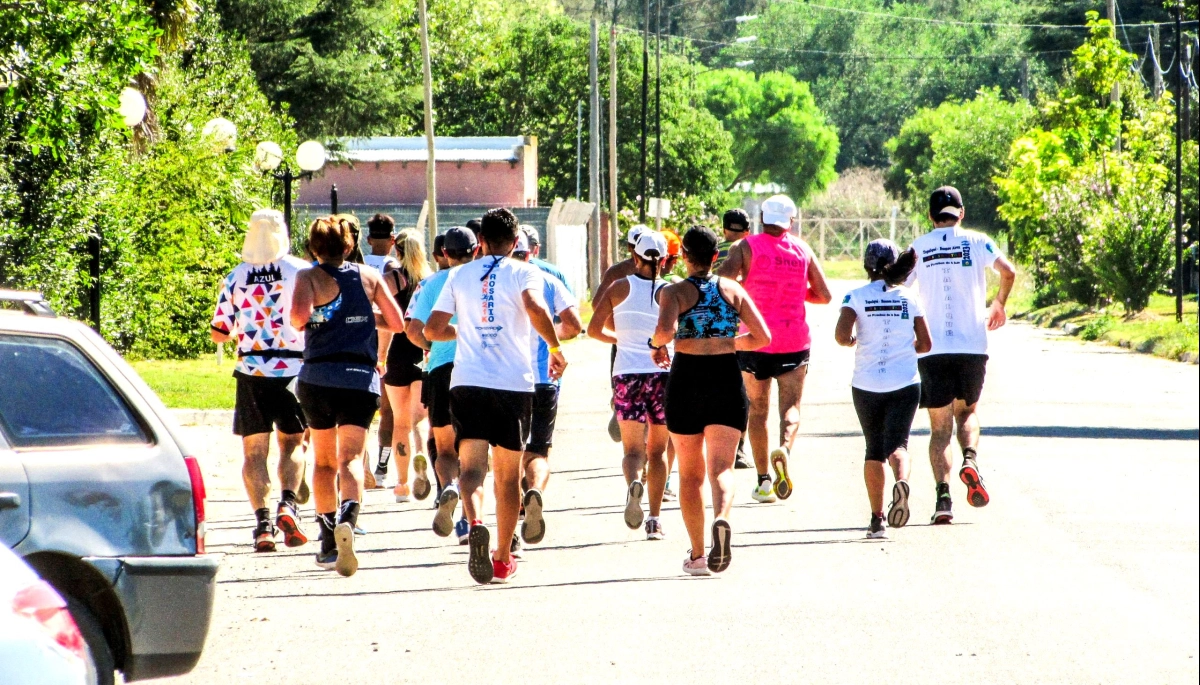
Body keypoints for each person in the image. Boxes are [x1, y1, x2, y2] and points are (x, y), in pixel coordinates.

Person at [424, 208, 567, 584]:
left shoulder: (458, 275)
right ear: (516, 241)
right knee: (507, 477)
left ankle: (474, 523)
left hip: (467, 382)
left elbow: (432, 329)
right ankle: (502, 557)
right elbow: (536, 308)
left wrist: (465, 332)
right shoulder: (525, 271)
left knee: (471, 469)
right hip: (513, 384)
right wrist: (553, 348)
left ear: (480, 242)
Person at [289, 216, 406, 576]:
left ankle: (327, 540)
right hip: (359, 377)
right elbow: (398, 322)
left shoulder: (306, 277)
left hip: (318, 376)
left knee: (323, 462)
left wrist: (325, 319)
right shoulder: (369, 277)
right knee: (352, 459)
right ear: (349, 246)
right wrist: (363, 316)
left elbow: (297, 318)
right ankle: (348, 520)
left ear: (312, 249)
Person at [651, 227, 771, 576]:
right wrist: (728, 343)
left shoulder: (673, 292)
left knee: (690, 474)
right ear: (715, 257)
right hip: (725, 378)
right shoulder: (733, 289)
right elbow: (763, 337)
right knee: (722, 467)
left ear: (685, 256)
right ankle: (722, 518)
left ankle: (700, 555)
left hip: (687, 378)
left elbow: (664, 332)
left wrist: (654, 345)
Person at [907, 187, 1016, 524]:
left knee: (939, 429)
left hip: (932, 349)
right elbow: (1008, 271)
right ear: (962, 213)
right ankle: (969, 458)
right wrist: (999, 303)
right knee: (966, 413)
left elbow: (898, 286)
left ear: (930, 215)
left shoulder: (918, 247)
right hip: (972, 345)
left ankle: (943, 498)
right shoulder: (978, 241)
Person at [718, 194, 832, 504]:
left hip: (754, 340)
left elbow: (722, 283)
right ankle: (785, 448)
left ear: (761, 219)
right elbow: (824, 295)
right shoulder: (803, 249)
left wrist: (747, 284)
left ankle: (764, 481)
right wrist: (794, 290)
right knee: (791, 408)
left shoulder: (744, 247)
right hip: (793, 341)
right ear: (791, 222)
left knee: (757, 410)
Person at [210, 209, 311, 553]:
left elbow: (219, 333)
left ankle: (263, 525)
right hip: (293, 370)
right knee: (293, 444)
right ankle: (288, 504)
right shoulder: (300, 272)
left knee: (254, 452)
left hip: (251, 370)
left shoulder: (235, 277)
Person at [835, 240, 932, 538]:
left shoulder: (855, 296)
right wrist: (905, 350)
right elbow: (926, 344)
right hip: (904, 382)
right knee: (899, 445)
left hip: (866, 384)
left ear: (866, 265)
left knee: (873, 449)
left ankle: (877, 520)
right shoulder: (909, 297)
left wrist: (852, 342)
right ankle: (901, 481)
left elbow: (841, 336)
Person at [588, 230, 671, 540]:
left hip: (626, 375)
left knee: (632, 450)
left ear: (635, 257)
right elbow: (674, 331)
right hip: (662, 374)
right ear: (664, 260)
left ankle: (633, 484)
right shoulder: (671, 291)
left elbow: (594, 330)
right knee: (659, 452)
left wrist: (621, 338)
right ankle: (654, 519)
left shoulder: (618, 287)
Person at [406, 227, 477, 544]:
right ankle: (467, 520)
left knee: (445, 448)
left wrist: (431, 347)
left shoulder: (430, 283)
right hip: (477, 370)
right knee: (475, 452)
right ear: (476, 251)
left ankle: (448, 485)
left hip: (440, 371)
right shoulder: (483, 281)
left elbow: (412, 330)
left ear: (443, 254)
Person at [512, 227, 582, 547]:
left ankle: (513, 518)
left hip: (506, 381)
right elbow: (574, 325)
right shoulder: (549, 279)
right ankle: (535, 490)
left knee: (507, 454)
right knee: (539, 449)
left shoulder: (493, 279)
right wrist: (551, 340)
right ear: (531, 252)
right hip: (544, 380)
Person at [381, 229, 433, 503]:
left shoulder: (392, 280)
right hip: (423, 353)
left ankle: (401, 484)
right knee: (421, 418)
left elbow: (386, 321)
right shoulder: (429, 280)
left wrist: (380, 355)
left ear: (396, 251)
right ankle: (422, 454)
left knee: (399, 422)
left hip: (397, 355)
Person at [594, 223, 651, 442]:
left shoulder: (618, 272)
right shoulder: (619, 272)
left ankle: (631, 424)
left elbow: (597, 305)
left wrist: (619, 329)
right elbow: (598, 303)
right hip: (642, 342)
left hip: (632, 342)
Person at [364, 214, 401, 489]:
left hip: (359, 341)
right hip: (385, 344)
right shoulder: (393, 269)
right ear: (392, 240)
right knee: (388, 412)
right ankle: (382, 465)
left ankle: (362, 465)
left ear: (368, 239)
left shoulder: (359, 264)